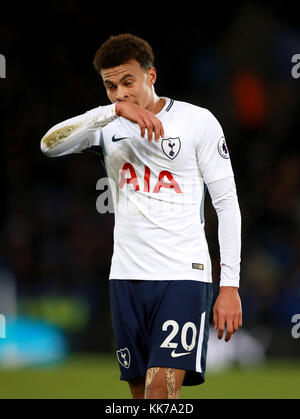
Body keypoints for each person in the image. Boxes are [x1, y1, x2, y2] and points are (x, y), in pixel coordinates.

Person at [41, 33, 242, 399]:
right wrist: (112, 112)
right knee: (139, 397)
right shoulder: (108, 125)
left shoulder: (197, 122)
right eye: (110, 86)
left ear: (151, 76)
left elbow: (226, 203)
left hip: (182, 277)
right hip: (125, 278)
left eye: (127, 82)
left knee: (160, 397)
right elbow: (49, 144)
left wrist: (230, 284)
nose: (120, 93)